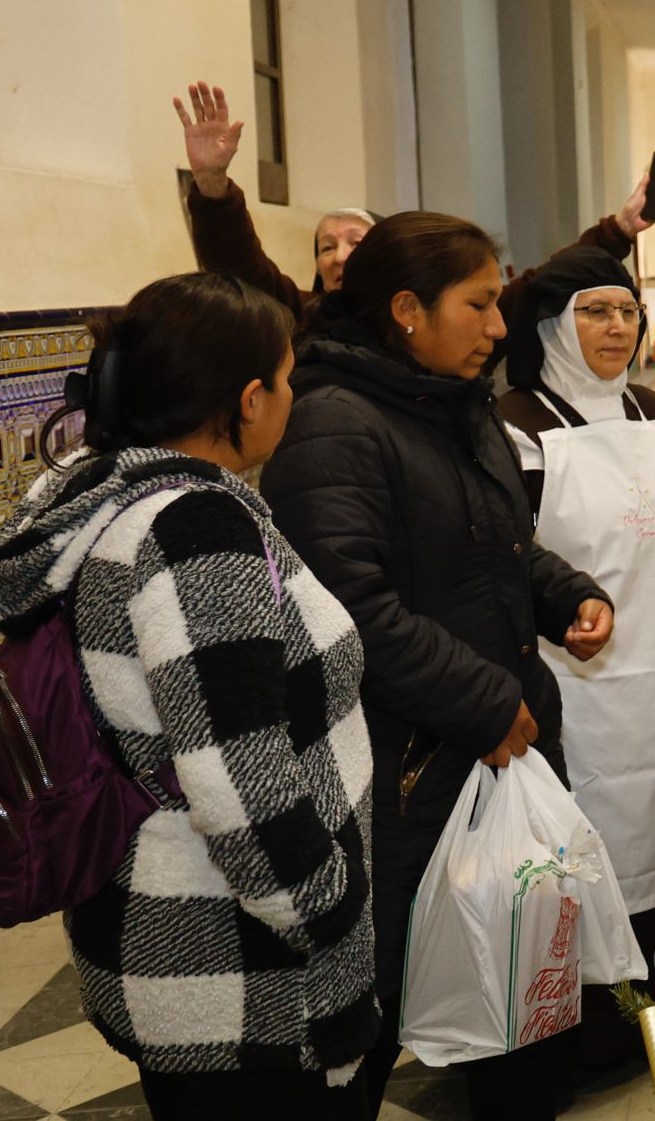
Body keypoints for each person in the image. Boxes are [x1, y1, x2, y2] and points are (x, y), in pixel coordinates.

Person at [0, 274, 377, 1118]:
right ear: (249, 399)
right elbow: (240, 775)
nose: (294, 394)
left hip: (168, 931)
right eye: (288, 376)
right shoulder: (196, 530)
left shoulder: (108, 493)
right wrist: (327, 908)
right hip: (242, 971)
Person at [260, 213, 616, 1118]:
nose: (498, 326)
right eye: (479, 304)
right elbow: (350, 606)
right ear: (407, 309)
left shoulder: (456, 401)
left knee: (518, 990)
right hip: (406, 768)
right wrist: (487, 700)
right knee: (379, 1008)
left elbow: (497, 544)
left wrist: (565, 593)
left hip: (491, 746)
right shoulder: (333, 422)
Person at [496, 247, 655, 1081]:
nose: (617, 327)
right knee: (579, 854)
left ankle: (651, 1026)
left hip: (654, 681)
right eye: (594, 311)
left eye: (627, 311)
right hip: (567, 690)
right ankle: (583, 1039)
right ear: (553, 326)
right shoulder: (518, 422)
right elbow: (507, 552)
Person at [173, 81, 655, 338]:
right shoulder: (304, 317)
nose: (339, 256)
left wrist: (619, 230)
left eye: (355, 242)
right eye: (326, 247)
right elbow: (241, 271)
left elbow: (539, 286)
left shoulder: (442, 319)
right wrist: (212, 184)